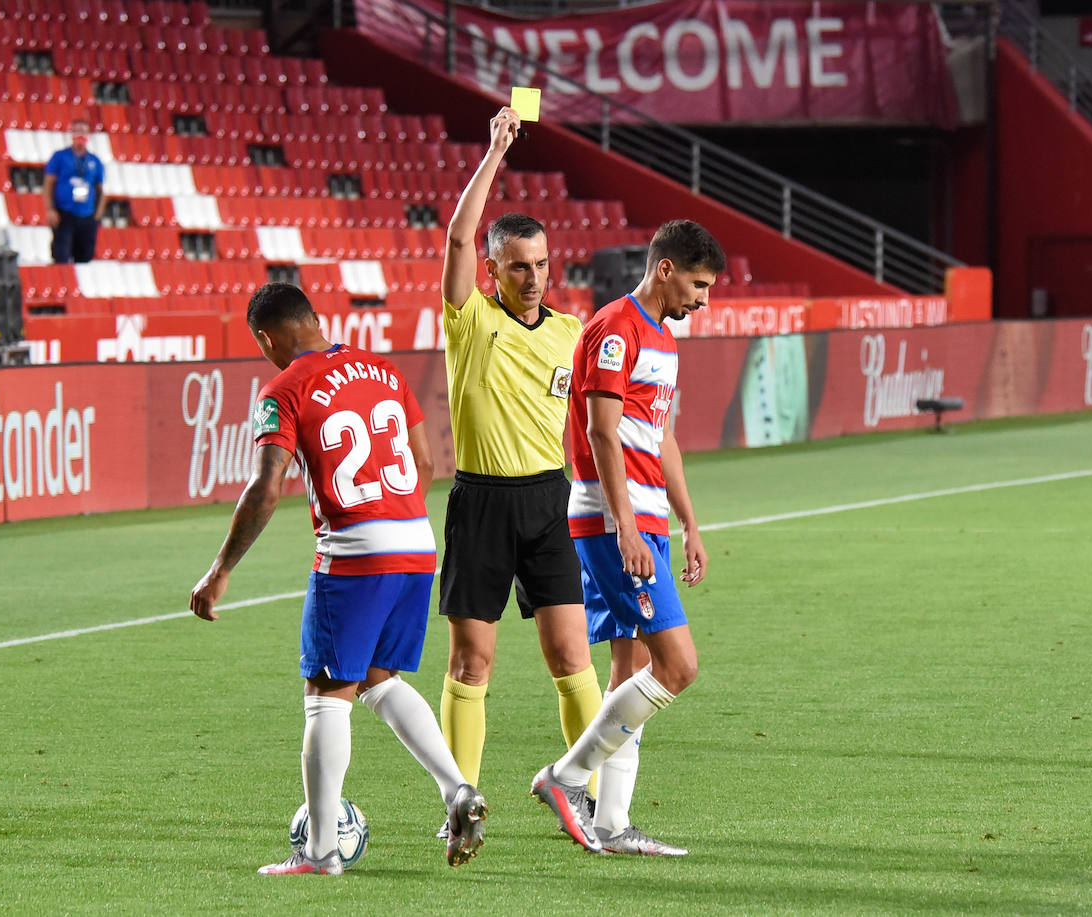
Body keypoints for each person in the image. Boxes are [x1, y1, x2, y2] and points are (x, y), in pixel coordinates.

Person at [190, 282, 487, 875]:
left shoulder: (282, 389)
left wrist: (220, 568)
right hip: (415, 544)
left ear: (266, 338)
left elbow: (265, 486)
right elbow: (426, 461)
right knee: (379, 679)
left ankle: (321, 850)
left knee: (325, 697)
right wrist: (393, 515)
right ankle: (457, 789)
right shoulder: (382, 371)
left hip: (355, 551)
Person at [531, 220, 725, 854]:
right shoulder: (615, 328)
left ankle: (612, 824)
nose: (704, 299)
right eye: (698, 284)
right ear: (665, 269)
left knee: (632, 669)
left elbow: (660, 436)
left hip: (647, 519)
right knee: (678, 666)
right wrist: (625, 526)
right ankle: (565, 777)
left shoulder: (663, 339)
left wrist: (690, 521)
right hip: (615, 521)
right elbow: (601, 432)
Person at [435, 106, 605, 809]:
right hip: (480, 502)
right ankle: (459, 799)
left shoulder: (571, 330)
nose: (532, 277)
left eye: (540, 264)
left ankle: (588, 795)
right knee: (472, 660)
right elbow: (455, 241)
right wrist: (497, 151)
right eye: (517, 266)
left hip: (548, 502)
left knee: (572, 656)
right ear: (495, 269)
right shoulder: (470, 322)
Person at [44, 119, 104, 264]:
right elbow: (48, 184)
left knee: (84, 257)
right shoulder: (60, 156)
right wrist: (50, 209)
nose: (80, 135)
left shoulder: (95, 161)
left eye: (83, 131)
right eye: (76, 131)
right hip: (64, 213)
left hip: (87, 215)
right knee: (61, 255)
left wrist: (97, 215)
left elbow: (100, 190)